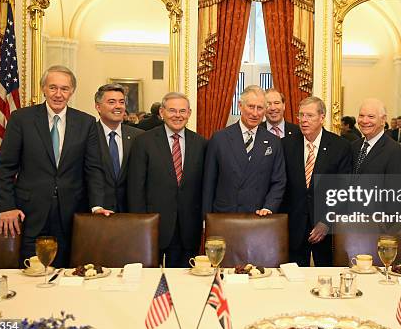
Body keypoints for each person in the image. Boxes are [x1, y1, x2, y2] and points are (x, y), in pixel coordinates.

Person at [0, 65, 104, 267]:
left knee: (67, 277)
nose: (58, 94)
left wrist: (96, 206)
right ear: (43, 88)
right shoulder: (21, 119)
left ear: (72, 91)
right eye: (53, 88)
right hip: (29, 214)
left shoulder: (86, 123)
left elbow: (93, 170)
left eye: (64, 89)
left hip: (71, 215)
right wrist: (6, 206)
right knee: (29, 275)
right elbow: (4, 168)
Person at [128, 92, 206, 267]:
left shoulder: (201, 143)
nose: (177, 115)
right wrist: (140, 223)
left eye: (182, 111)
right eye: (172, 110)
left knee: (187, 281)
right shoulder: (143, 142)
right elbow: (135, 188)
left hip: (189, 227)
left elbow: (204, 187)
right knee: (154, 283)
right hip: (155, 226)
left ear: (189, 113)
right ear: (162, 112)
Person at [282, 97, 351, 266]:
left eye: (310, 116)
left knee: (325, 277)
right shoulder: (286, 145)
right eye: (301, 115)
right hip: (294, 226)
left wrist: (326, 221)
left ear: (322, 118)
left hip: (327, 229)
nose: (304, 120)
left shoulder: (340, 146)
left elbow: (344, 189)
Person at [203, 85, 285, 215]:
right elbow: (208, 182)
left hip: (258, 216)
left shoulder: (273, 141)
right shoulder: (220, 138)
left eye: (260, 108)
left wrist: (269, 207)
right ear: (240, 106)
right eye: (251, 106)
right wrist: (205, 219)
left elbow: (279, 181)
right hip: (225, 215)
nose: (255, 113)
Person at [351, 99, 401, 225]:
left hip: (377, 228)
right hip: (351, 224)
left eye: (371, 116)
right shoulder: (354, 147)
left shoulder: (396, 152)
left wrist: (383, 232)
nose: (364, 120)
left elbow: (397, 200)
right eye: (361, 116)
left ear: (383, 120)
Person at [93, 83, 144, 214]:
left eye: (121, 102)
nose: (118, 106)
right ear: (98, 107)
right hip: (97, 213)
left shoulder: (138, 137)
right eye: (111, 102)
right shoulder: (88, 135)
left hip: (131, 213)